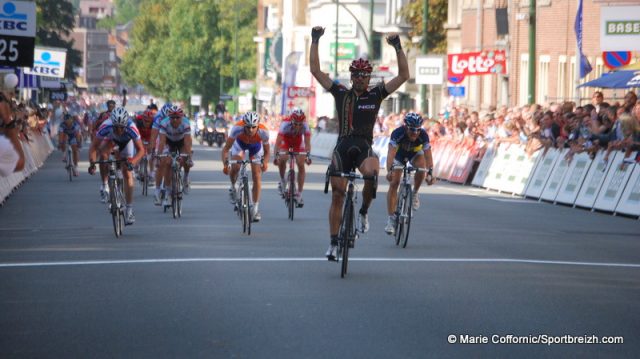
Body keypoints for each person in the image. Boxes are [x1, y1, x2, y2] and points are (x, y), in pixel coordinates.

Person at [310, 25, 409, 260]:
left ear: (369, 78)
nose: (361, 79)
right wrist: (315, 40)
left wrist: (397, 47)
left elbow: (404, 76)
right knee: (337, 194)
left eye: (365, 76)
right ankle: (334, 243)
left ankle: (363, 211)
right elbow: (315, 70)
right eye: (357, 75)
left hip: (364, 146)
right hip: (343, 146)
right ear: (352, 76)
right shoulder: (340, 92)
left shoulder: (376, 94)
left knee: (372, 174)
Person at [88, 107, 145, 225]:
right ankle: (106, 186)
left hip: (127, 142)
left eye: (121, 127)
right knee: (103, 156)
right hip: (111, 140)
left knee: (127, 173)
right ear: (112, 123)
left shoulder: (131, 127)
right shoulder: (106, 126)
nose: (119, 130)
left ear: (125, 124)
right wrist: (92, 163)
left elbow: (141, 150)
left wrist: (132, 162)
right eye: (116, 127)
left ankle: (129, 210)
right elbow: (93, 147)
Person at [384, 112, 435, 235]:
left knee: (421, 167)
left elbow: (428, 155)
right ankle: (391, 219)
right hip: (399, 155)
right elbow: (391, 153)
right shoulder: (397, 133)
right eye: (412, 129)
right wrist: (389, 170)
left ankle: (415, 193)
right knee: (394, 182)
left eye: (418, 130)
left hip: (414, 154)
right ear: (406, 127)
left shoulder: (423, 135)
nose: (415, 133)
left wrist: (430, 173)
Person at [221, 111, 270, 222]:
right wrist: (225, 164)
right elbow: (225, 149)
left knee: (257, 175)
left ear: (258, 125)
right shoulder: (236, 129)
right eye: (248, 127)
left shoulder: (264, 131)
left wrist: (265, 163)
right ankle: (233, 187)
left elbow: (267, 152)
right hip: (239, 146)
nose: (251, 130)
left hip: (255, 148)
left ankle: (255, 208)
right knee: (235, 167)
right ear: (244, 125)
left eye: (253, 127)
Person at [155, 105, 193, 206]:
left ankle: (185, 178)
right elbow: (162, 141)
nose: (175, 120)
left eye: (177, 118)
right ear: (169, 117)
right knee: (167, 163)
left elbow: (187, 141)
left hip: (181, 142)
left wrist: (188, 156)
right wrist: (159, 155)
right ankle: (168, 193)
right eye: (172, 117)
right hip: (169, 142)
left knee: (186, 159)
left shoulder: (186, 123)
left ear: (182, 117)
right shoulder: (164, 123)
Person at [273, 108, 312, 206]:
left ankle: (299, 194)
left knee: (301, 164)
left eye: (300, 124)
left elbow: (307, 143)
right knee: (282, 159)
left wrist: (307, 156)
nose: (298, 126)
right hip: (286, 143)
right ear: (291, 121)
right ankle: (282, 181)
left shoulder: (306, 126)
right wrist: (276, 156)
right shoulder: (284, 125)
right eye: (295, 124)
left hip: (298, 144)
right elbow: (277, 143)